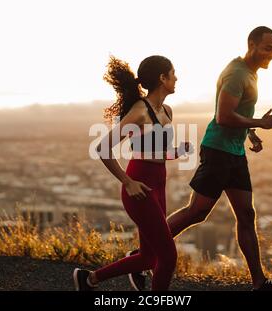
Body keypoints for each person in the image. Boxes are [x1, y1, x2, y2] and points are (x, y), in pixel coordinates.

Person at [127, 26, 272, 291]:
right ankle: (139, 256)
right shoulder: (236, 74)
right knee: (197, 212)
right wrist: (259, 123)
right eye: (267, 48)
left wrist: (250, 133)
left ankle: (259, 282)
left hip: (235, 152)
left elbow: (237, 111)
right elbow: (223, 117)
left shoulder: (250, 73)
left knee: (246, 213)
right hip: (218, 150)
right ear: (251, 44)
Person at [73, 55, 192, 291]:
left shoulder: (167, 111)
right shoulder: (140, 112)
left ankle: (88, 279)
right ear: (162, 78)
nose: (176, 77)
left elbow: (157, 152)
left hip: (159, 183)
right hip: (140, 185)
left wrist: (176, 152)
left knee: (149, 258)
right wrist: (127, 182)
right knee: (168, 257)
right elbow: (102, 148)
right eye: (173, 72)